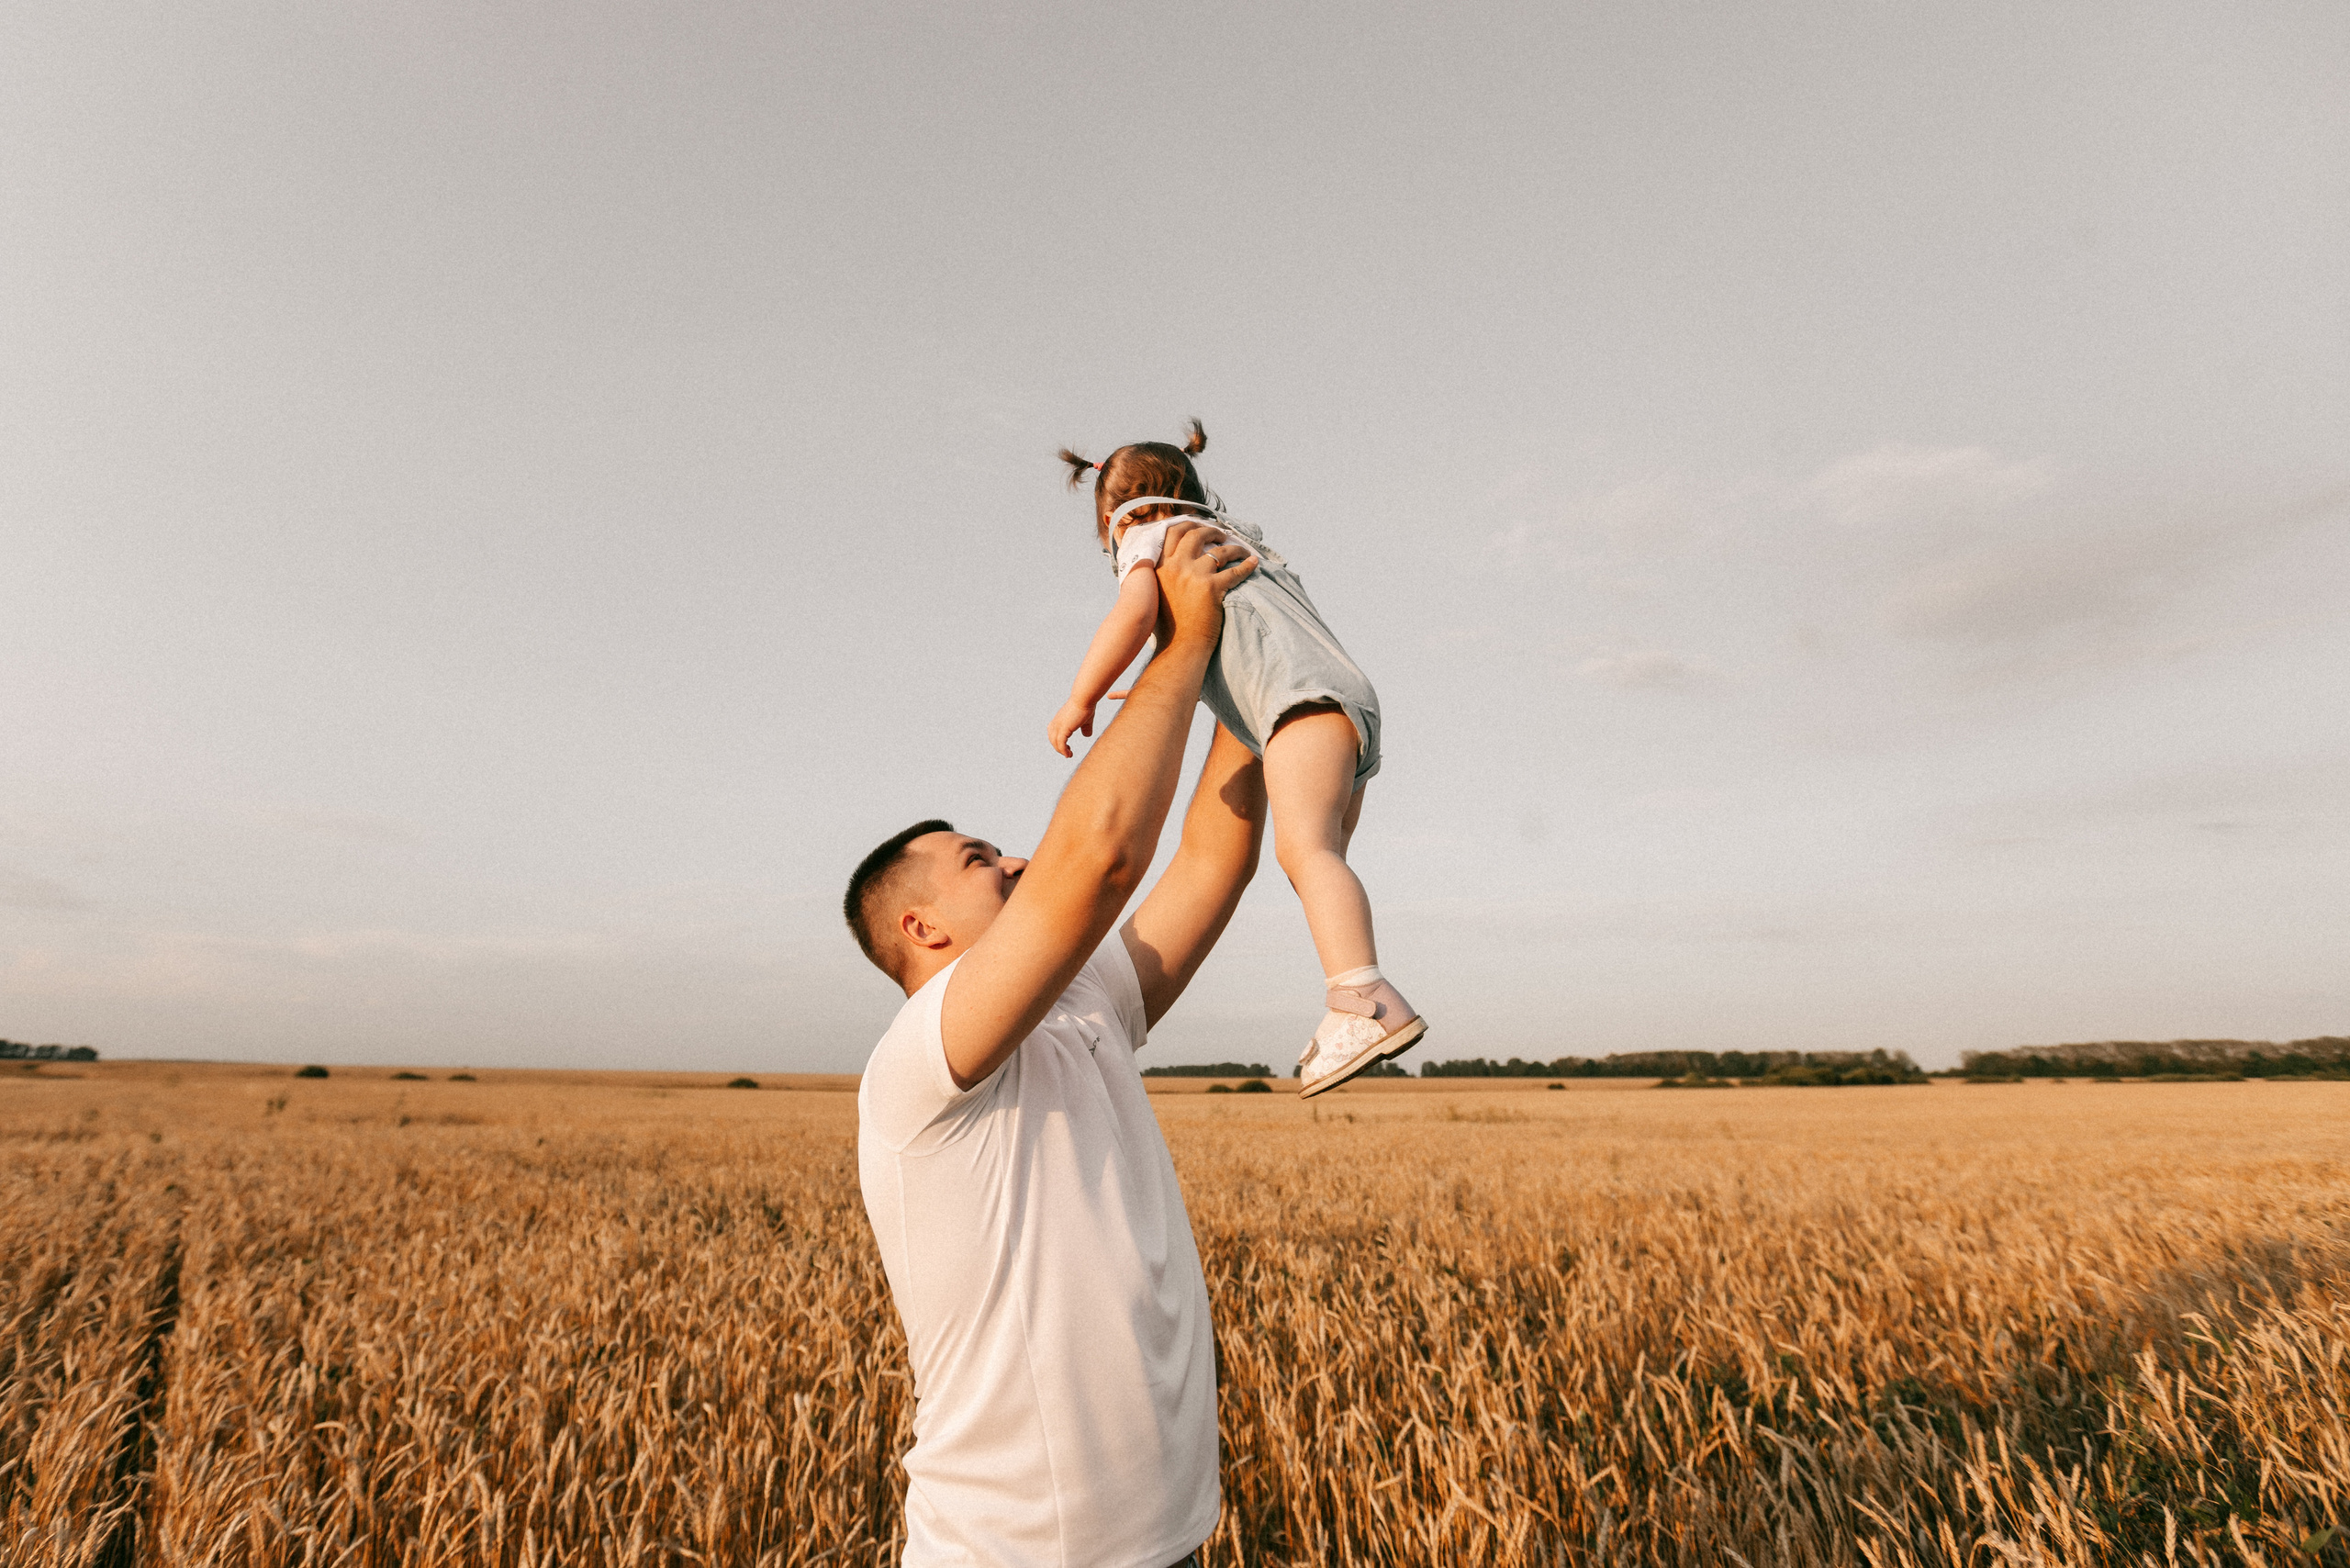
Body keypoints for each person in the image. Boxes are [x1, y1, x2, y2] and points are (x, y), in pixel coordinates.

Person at [848, 520, 1261, 1568]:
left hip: (1167, 1541)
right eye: (980, 859)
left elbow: (1212, 859)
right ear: (921, 928)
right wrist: (1183, 644)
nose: (1017, 859)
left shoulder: (1083, 1002)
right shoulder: (922, 1061)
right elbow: (1101, 857)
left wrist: (1255, 664)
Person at [1050, 420, 1427, 1097]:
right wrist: (1163, 678)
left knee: (1307, 854)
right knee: (1322, 860)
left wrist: (1083, 695)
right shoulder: (1234, 538)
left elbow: (1132, 615)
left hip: (1296, 704)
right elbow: (1236, 637)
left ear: (1115, 517)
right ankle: (1351, 988)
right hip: (1343, 703)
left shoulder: (1148, 535)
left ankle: (1363, 999)